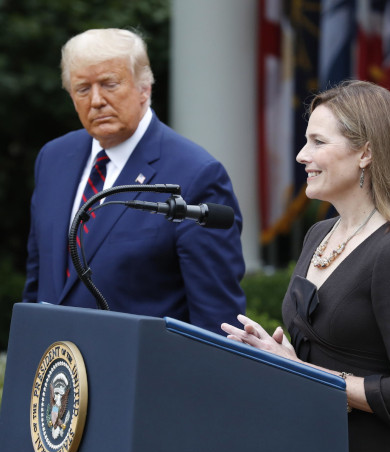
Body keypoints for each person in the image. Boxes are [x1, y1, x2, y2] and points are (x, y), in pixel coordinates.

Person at [222, 80, 390, 452]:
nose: (301, 155)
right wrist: (282, 357)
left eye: (318, 142)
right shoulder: (318, 234)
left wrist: (303, 372)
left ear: (366, 153)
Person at [22, 28, 246, 334]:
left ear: (144, 87)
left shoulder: (196, 174)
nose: (97, 100)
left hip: (142, 375)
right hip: (58, 373)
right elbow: (38, 283)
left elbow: (217, 321)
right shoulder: (53, 159)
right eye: (83, 89)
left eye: (109, 84)